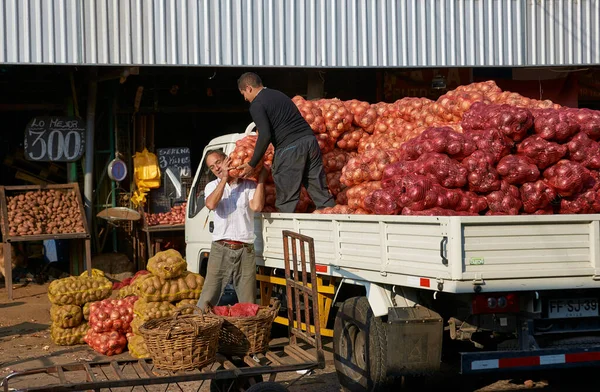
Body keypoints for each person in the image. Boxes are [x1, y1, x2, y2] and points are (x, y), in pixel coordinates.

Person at [235, 72, 335, 213]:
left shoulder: (257, 104)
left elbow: (265, 135)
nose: (245, 98)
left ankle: (285, 232)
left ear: (249, 88)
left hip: (290, 148)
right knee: (321, 193)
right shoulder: (278, 94)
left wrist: (252, 163)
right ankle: (333, 224)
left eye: (243, 93)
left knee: (286, 199)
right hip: (310, 142)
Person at [196, 149, 267, 309]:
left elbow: (256, 206)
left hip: (245, 250)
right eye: (213, 167)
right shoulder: (211, 186)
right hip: (221, 248)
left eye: (219, 163)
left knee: (248, 301)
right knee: (208, 296)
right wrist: (224, 180)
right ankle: (198, 329)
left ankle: (248, 332)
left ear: (228, 160)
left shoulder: (248, 185)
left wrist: (261, 179)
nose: (217, 168)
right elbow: (211, 204)